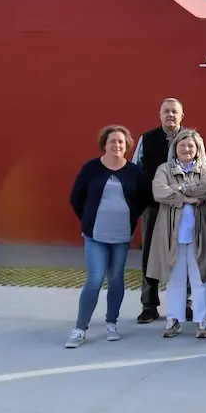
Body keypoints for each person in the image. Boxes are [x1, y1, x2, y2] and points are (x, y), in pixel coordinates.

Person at [65, 125, 149, 348]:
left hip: (121, 234)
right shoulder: (91, 168)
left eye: (121, 142)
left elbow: (143, 198)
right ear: (105, 144)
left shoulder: (133, 171)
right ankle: (80, 328)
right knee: (94, 279)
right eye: (113, 141)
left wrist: (130, 216)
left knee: (116, 278)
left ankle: (111, 323)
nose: (117, 145)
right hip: (95, 234)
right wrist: (88, 220)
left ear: (127, 146)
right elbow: (76, 197)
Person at [131, 98, 198, 324]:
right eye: (166, 111)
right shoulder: (147, 139)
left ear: (182, 115)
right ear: (160, 115)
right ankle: (149, 305)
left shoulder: (191, 139)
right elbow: (136, 170)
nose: (170, 115)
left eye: (175, 112)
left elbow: (201, 168)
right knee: (150, 254)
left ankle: (185, 303)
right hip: (154, 207)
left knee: (185, 253)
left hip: (184, 208)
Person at [147, 129, 206, 338]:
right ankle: (173, 319)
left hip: (200, 233)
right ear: (175, 148)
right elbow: (159, 191)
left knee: (200, 278)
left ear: (197, 150)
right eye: (182, 145)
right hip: (172, 234)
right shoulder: (164, 169)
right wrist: (186, 198)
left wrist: (177, 188)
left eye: (191, 146)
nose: (186, 149)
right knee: (175, 279)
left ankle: (202, 320)